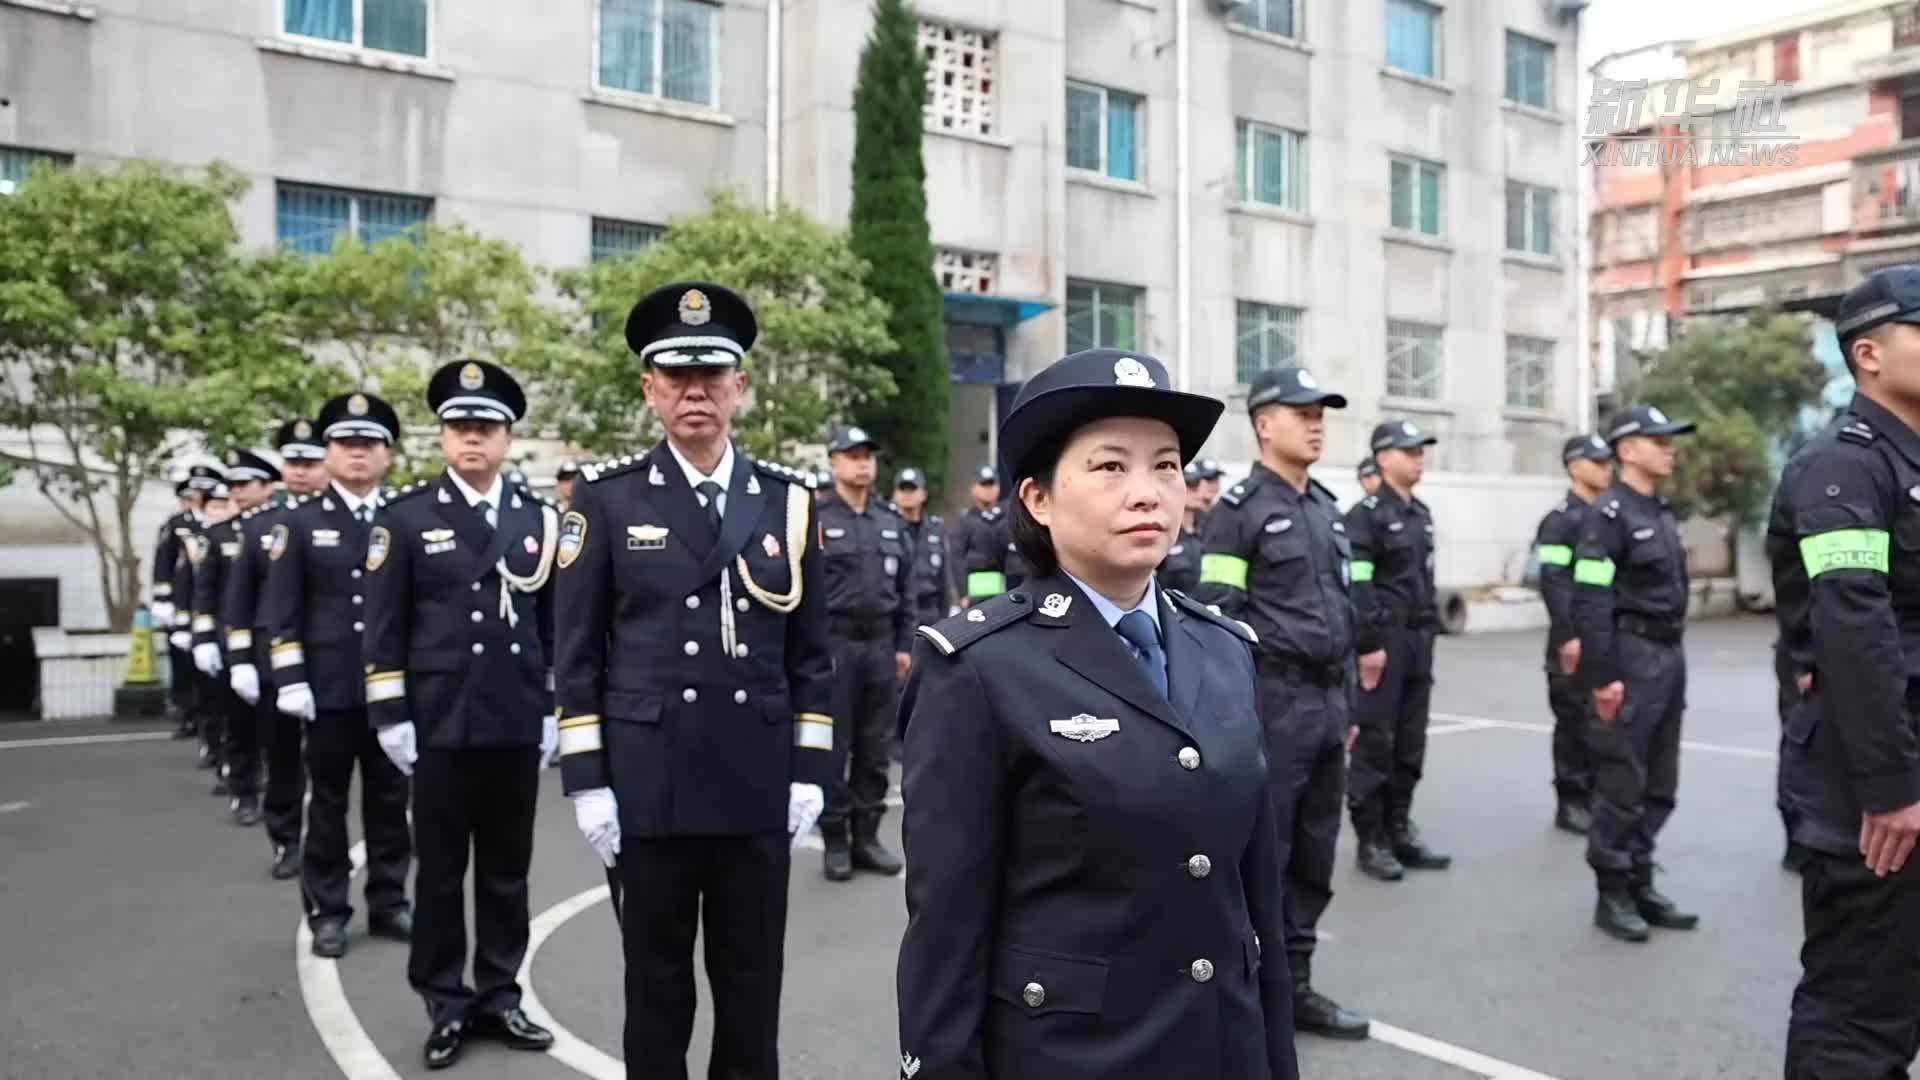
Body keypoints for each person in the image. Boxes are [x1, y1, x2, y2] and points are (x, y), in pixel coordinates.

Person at [896, 347, 1298, 1080]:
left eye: (1166, 466)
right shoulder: (979, 670)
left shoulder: (1225, 650)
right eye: (1111, 467)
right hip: (1071, 1057)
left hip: (1220, 1047)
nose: (1147, 493)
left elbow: (1253, 900)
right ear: (1039, 499)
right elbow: (946, 932)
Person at [554, 281, 836, 1078]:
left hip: (755, 780)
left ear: (740, 387)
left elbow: (811, 654)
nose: (695, 393)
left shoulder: (786, 501)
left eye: (712, 377)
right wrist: (589, 783)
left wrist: (810, 772)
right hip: (651, 786)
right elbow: (576, 653)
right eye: (676, 378)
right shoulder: (607, 501)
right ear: (650, 390)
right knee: (657, 989)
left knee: (751, 989)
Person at [362, 360, 560, 1069]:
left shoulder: (537, 519)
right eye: (459, 426)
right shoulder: (406, 519)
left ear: (508, 437)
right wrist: (391, 714)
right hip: (440, 722)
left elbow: (554, 624)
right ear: (442, 436)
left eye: (485, 427)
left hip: (513, 720)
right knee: (442, 873)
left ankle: (501, 995)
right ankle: (446, 1002)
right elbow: (383, 627)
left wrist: (553, 708)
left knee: (508, 870)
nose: (471, 438)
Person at [1772, 266, 1920, 1078]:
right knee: (1858, 1013)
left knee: (1898, 991)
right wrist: (1891, 788)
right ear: (1869, 353)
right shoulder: (1841, 469)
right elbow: (1852, 629)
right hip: (1873, 776)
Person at [1194, 365, 1368, 1040]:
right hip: (1275, 700)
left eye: (1322, 411)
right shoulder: (1240, 513)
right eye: (1302, 412)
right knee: (1265, 849)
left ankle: (1295, 985)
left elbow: (1344, 612)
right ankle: (1248, 987)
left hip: (1327, 702)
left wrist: (1347, 704)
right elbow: (1218, 617)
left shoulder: (1326, 509)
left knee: (1315, 851)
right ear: (1265, 424)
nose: (1317, 421)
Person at [262, 391, 415, 959]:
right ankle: (328, 910)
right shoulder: (298, 525)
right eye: (346, 444)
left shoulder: (405, 519)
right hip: (327, 690)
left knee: (390, 800)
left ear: (387, 454)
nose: (357, 454)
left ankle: (389, 901)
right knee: (326, 803)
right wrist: (291, 677)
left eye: (369, 444)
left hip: (392, 691)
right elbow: (282, 609)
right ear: (327, 453)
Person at [1570, 403, 1700, 943]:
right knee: (1622, 779)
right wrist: (1604, 676)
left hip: (1669, 656)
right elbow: (1591, 598)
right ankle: (1613, 891)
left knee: (1660, 780)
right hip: (1630, 655)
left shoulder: (1660, 511)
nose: (1669, 447)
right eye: (1658, 439)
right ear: (1626, 450)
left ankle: (1642, 879)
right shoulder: (1610, 516)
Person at [1344, 420, 1450, 880]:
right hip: (1384, 641)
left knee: (1410, 740)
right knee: (1376, 740)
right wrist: (1368, 644)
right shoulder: (1365, 516)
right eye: (1409, 451)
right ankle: (1372, 838)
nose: (1418, 458)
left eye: (1421, 451)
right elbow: (1358, 584)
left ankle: (1400, 827)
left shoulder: (1420, 514)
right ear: (1383, 457)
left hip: (1418, 637)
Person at [225, 418, 329, 879]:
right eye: (293, 463)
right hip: (277, 661)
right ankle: (287, 840)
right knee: (283, 758)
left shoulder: (359, 519)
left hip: (334, 660)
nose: (300, 471)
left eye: (309, 462)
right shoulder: (261, 527)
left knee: (338, 768)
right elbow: (239, 600)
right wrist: (241, 660)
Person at [814, 424, 914, 882]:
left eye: (868, 456)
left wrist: (904, 646)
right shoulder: (814, 518)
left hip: (879, 646)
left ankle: (868, 837)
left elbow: (907, 591)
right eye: (852, 455)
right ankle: (835, 840)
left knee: (874, 747)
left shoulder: (889, 521)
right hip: (833, 645)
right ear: (833, 462)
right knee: (834, 747)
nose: (862, 463)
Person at [1531, 434, 1613, 836]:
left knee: (1604, 723)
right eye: (1596, 462)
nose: (1605, 468)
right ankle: (1572, 800)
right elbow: (1554, 582)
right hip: (1574, 639)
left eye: (1607, 461)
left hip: (1607, 637)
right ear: (1574, 466)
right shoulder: (1561, 520)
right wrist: (1568, 636)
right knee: (1574, 721)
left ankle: (1598, 794)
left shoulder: (1610, 515)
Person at [193, 450, 281, 825]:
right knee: (240, 724)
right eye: (233, 486)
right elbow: (204, 590)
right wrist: (203, 638)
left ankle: (278, 796)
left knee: (278, 732)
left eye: (245, 484)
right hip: (234, 642)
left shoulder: (284, 528)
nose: (238, 492)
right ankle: (245, 793)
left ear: (267, 487)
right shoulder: (218, 534)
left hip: (276, 642)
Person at [173, 464, 228, 776]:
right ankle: (211, 743)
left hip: (234, 626)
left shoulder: (240, 533)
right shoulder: (189, 531)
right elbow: (184, 578)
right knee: (205, 691)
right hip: (204, 620)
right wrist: (181, 619)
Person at [154, 473, 201, 741]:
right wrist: (163, 600)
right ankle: (186, 714)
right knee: (181, 663)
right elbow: (163, 563)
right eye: (186, 498)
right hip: (181, 603)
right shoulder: (175, 525)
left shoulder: (214, 522)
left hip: (206, 603)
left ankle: (205, 716)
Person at [892, 466, 954, 628]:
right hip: (899, 614)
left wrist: (943, 621)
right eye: (902, 489)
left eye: (912, 489)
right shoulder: (887, 529)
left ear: (923, 494)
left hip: (930, 612)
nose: (907, 494)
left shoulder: (936, 529)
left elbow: (945, 580)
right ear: (895, 494)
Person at [949, 465, 1008, 605]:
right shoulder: (965, 521)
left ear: (998, 488)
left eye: (991, 484)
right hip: (973, 596)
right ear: (973, 488)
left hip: (1004, 592)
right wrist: (963, 593)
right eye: (983, 484)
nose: (988, 489)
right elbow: (957, 558)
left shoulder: (1007, 519)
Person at [1154, 462, 1208, 594]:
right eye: (1191, 485)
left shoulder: (1211, 527)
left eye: (1199, 484)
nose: (1198, 491)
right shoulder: (1160, 531)